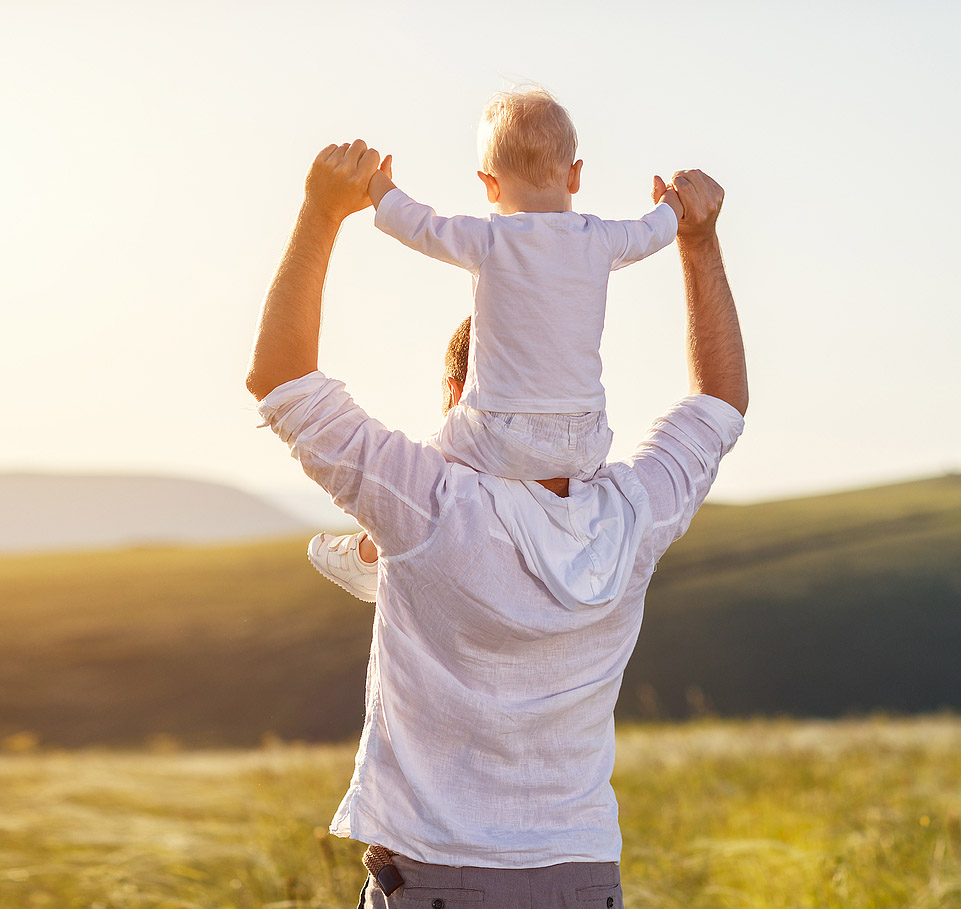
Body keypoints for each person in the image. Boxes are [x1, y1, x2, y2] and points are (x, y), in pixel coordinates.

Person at [246, 140, 747, 908]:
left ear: (461, 392)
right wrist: (698, 240)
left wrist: (321, 211)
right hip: (583, 875)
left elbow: (281, 379)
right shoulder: (631, 514)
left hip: (436, 878)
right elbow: (718, 403)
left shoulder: (425, 503)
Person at [310, 88, 682, 596]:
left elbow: (420, 225)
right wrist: (671, 207)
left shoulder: (488, 239)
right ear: (575, 174)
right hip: (586, 437)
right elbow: (653, 232)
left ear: (489, 184)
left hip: (499, 432)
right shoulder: (603, 238)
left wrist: (380, 189)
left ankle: (368, 554)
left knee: (423, 472)